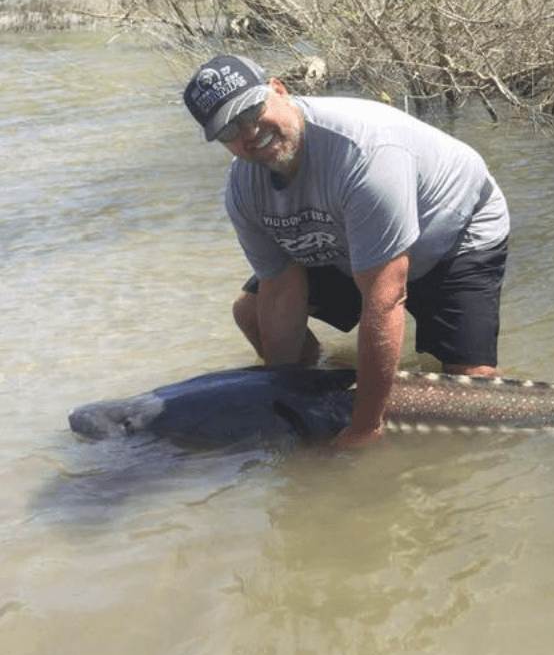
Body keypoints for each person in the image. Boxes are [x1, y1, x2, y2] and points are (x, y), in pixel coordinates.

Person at [183, 55, 510, 449]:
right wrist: (282, 406)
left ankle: (374, 400)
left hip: (452, 231)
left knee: (475, 396)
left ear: (279, 89)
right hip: (347, 237)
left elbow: (384, 301)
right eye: (229, 129)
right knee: (251, 311)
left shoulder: (363, 151)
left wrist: (366, 426)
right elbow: (281, 290)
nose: (250, 132)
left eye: (252, 109)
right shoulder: (243, 190)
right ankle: (335, 383)